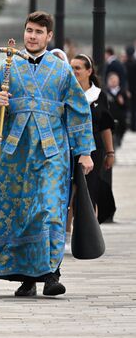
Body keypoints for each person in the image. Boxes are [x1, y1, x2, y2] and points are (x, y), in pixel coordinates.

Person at [0, 11, 95, 297]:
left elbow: (78, 110)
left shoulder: (62, 70)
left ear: (48, 36)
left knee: (49, 210)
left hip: (52, 153)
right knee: (20, 214)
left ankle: (51, 274)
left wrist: (85, 151)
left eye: (39, 32)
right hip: (15, 153)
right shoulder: (7, 67)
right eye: (29, 30)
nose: (32, 36)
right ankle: (26, 277)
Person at [68, 54, 115, 235]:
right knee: (70, 193)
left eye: (78, 68)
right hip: (70, 147)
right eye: (71, 68)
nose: (74, 72)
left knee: (89, 192)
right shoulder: (67, 93)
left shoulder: (98, 95)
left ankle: (90, 236)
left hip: (93, 150)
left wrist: (110, 153)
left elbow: (105, 126)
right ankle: (67, 234)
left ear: (89, 71)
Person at [106, 72, 128, 147]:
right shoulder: (106, 92)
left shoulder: (123, 91)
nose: (113, 82)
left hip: (120, 116)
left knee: (121, 129)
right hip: (110, 116)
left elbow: (127, 106)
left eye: (115, 80)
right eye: (111, 80)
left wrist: (123, 102)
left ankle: (119, 139)